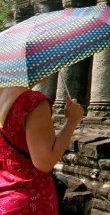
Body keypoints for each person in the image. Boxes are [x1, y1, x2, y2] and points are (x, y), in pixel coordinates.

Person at [0, 84, 84, 214]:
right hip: (29, 200)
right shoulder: (32, 101)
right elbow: (44, 162)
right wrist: (72, 121)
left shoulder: (3, 97)